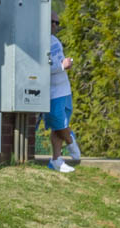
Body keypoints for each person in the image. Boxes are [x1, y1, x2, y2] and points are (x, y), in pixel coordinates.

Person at [45, 14, 80, 173]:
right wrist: (61, 66)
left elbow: (60, 62)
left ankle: (56, 160)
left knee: (58, 126)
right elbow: (42, 68)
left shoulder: (55, 41)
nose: (54, 25)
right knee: (58, 122)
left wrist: (66, 64)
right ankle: (71, 142)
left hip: (64, 88)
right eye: (52, 22)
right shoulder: (40, 41)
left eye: (57, 23)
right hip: (51, 91)